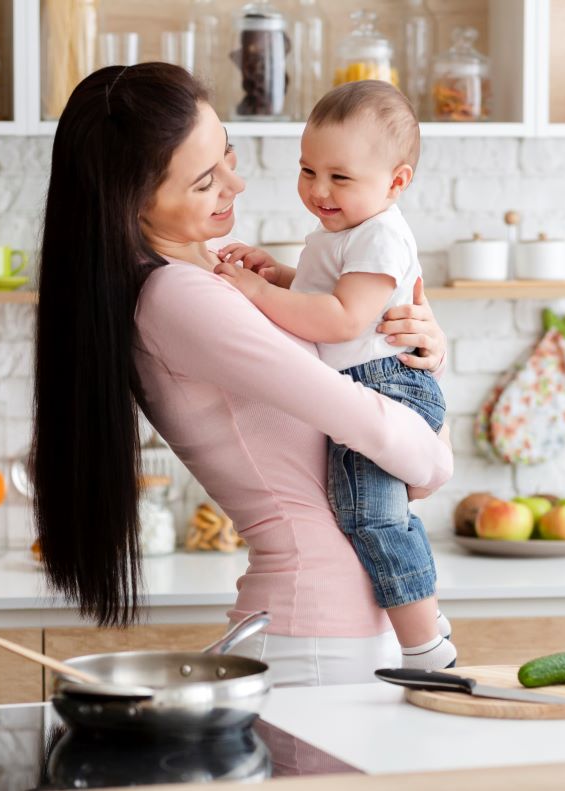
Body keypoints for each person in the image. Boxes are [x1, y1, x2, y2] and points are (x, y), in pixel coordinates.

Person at [32, 63, 453, 686]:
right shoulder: (180, 299)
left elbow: (383, 420)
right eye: (206, 181)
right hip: (319, 629)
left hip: (342, 620)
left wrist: (427, 348)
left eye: (226, 151)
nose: (238, 182)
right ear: (133, 199)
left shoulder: (215, 277)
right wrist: (433, 439)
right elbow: (398, 446)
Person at [212, 81, 454, 670]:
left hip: (384, 383)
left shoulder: (380, 234)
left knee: (373, 518)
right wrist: (285, 274)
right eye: (307, 170)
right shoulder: (346, 230)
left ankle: (427, 647)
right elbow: (328, 291)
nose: (318, 190)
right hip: (371, 383)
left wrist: (258, 290)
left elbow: (344, 319)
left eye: (339, 178)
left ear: (396, 182)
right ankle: (426, 620)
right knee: (369, 514)